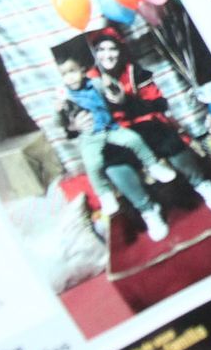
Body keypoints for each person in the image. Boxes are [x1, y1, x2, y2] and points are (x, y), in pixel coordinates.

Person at [89, 29, 211, 216]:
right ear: (95, 54)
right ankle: (148, 210)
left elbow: (158, 104)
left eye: (112, 49)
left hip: (145, 123)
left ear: (120, 51)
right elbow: (85, 119)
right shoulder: (89, 81)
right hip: (116, 132)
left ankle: (201, 184)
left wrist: (126, 100)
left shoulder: (134, 71)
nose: (107, 55)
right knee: (112, 163)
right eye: (101, 50)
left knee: (167, 139)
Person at [55, 55, 179, 234]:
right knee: (92, 164)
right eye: (64, 75)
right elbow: (61, 124)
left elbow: (115, 92)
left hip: (111, 128)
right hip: (91, 136)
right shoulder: (65, 96)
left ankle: (153, 165)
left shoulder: (95, 83)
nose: (70, 78)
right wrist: (60, 113)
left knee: (134, 140)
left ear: (82, 70)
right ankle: (105, 195)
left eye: (73, 72)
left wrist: (110, 82)